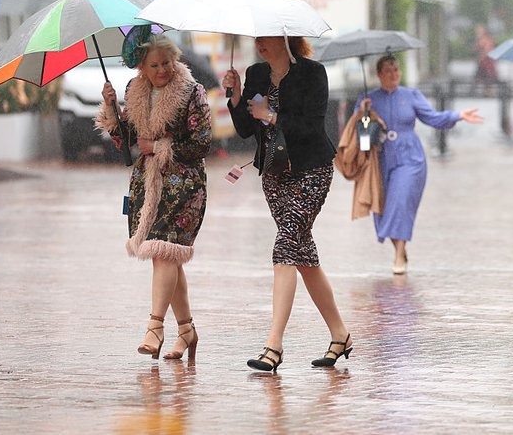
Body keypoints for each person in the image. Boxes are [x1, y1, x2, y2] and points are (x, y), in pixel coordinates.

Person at [222, 35, 351, 372]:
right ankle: (340, 335)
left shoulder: (313, 73)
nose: (259, 43)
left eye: (266, 37)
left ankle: (274, 345)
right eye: (257, 38)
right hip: (274, 176)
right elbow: (246, 131)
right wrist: (236, 97)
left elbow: (311, 127)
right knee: (303, 254)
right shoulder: (256, 74)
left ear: (284, 38)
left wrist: (273, 115)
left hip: (312, 171)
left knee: (284, 247)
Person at [96, 30, 212, 362]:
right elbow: (126, 139)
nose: (162, 70)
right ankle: (187, 331)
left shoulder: (192, 92)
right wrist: (110, 107)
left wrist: (161, 147)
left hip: (184, 185)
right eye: (154, 65)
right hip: (147, 187)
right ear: (142, 68)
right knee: (168, 258)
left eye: (167, 63)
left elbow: (202, 142)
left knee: (164, 253)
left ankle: (155, 326)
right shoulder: (135, 91)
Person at [357, 54, 483, 275]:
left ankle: (398, 256)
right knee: (385, 208)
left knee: (400, 202)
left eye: (397, 70)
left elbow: (432, 118)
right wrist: (363, 112)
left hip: (410, 158)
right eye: (388, 71)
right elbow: (359, 129)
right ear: (378, 74)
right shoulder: (368, 98)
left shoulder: (411, 95)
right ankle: (400, 247)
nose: (393, 75)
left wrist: (458, 116)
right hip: (382, 158)